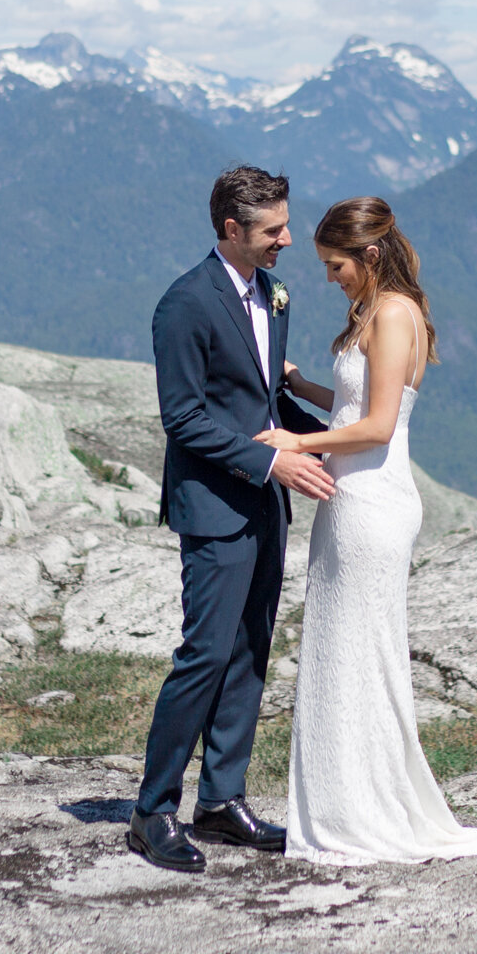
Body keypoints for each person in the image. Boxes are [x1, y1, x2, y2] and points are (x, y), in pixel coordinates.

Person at [261, 196, 477, 865]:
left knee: (354, 654)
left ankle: (355, 809)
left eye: (335, 265)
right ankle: (352, 800)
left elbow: (379, 426)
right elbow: (361, 404)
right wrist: (303, 386)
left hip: (368, 500)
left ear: (369, 255)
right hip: (361, 494)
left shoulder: (390, 314)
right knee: (352, 652)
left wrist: (292, 445)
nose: (329, 278)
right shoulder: (390, 311)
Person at [128, 166, 336, 873]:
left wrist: (337, 439)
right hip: (215, 506)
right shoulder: (184, 305)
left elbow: (266, 405)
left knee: (250, 651)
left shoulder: (273, 295)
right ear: (230, 230)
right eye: (273, 230)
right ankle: (153, 809)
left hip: (266, 501)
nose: (286, 239)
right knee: (205, 655)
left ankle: (221, 800)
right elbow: (182, 418)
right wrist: (270, 462)